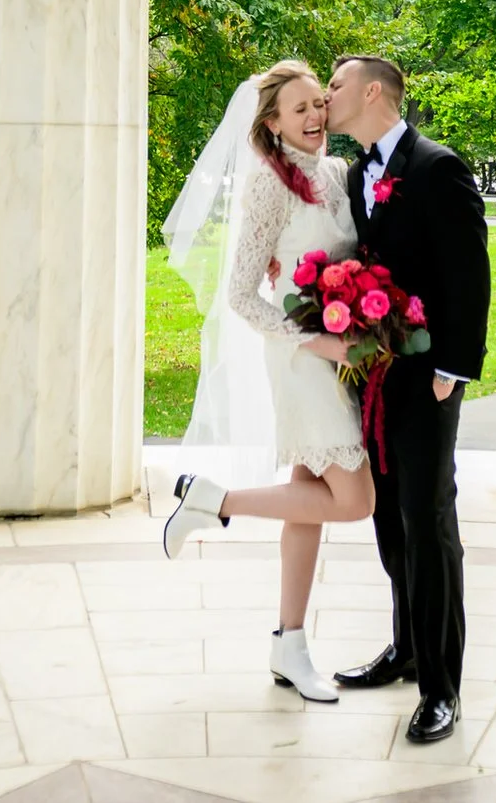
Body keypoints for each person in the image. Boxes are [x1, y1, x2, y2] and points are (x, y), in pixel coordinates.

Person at [158, 61, 375, 702]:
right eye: (299, 109)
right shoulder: (269, 187)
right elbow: (242, 297)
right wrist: (316, 340)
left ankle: (290, 644)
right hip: (304, 362)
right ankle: (213, 499)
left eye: (319, 104)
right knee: (356, 499)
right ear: (273, 124)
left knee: (308, 501)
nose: (315, 116)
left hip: (340, 358)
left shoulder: (336, 173)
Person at [323, 55, 490, 745]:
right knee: (389, 516)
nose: (326, 98)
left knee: (428, 521)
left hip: (427, 378)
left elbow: (469, 272)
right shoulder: (360, 172)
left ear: (371, 92)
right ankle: (406, 646)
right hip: (373, 378)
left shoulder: (436, 166)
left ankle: (441, 687)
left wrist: (452, 367)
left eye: (333, 87)